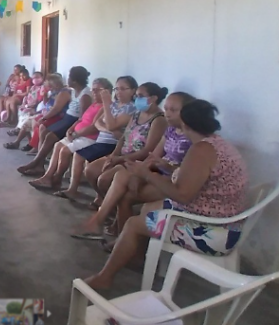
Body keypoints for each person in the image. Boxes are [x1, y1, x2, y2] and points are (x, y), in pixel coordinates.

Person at [84, 100, 248, 289]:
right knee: (147, 207)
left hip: (215, 230)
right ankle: (136, 255)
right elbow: (195, 178)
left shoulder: (201, 150)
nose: (168, 114)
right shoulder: (216, 143)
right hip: (222, 215)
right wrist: (168, 168)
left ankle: (105, 277)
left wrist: (145, 174)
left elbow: (182, 195)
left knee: (133, 223)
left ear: (185, 124)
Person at [73, 92, 196, 240]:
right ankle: (111, 227)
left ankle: (105, 226)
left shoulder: (192, 137)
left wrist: (147, 171)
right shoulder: (170, 130)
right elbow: (154, 156)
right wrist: (139, 173)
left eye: (173, 110)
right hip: (156, 171)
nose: (167, 113)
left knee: (125, 193)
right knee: (118, 177)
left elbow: (184, 171)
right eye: (167, 109)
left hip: (170, 179)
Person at [81, 82, 169, 211]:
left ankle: (113, 208)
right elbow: (124, 137)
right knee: (90, 170)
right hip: (121, 155)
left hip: (136, 160)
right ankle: (107, 202)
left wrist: (119, 160)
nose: (137, 99)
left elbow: (147, 151)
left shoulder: (159, 120)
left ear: (154, 98)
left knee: (104, 180)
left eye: (140, 96)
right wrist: (114, 155)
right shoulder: (137, 114)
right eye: (136, 96)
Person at [51, 76, 138, 200]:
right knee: (77, 153)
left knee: (80, 155)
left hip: (112, 144)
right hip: (101, 140)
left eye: (123, 89)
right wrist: (109, 128)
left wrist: (107, 107)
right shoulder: (114, 106)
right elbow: (97, 123)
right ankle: (73, 188)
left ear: (133, 91)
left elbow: (111, 125)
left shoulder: (131, 108)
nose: (119, 92)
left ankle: (87, 193)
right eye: (117, 88)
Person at [28, 78, 112, 191]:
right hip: (78, 134)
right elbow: (81, 119)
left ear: (107, 91)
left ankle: (57, 178)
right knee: (58, 145)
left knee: (65, 150)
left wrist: (77, 134)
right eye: (93, 90)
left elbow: (93, 127)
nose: (94, 93)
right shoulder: (94, 104)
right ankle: (47, 176)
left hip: (89, 138)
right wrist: (70, 129)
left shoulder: (105, 107)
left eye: (98, 90)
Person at [17, 66, 91, 176]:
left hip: (72, 120)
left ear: (75, 80)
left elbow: (82, 118)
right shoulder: (75, 91)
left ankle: (36, 163)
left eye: (69, 77)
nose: (67, 79)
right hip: (67, 117)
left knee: (49, 136)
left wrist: (73, 130)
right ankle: (39, 165)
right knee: (45, 132)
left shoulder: (84, 95)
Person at [5, 74, 69, 152]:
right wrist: (45, 95)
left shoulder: (63, 92)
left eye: (49, 86)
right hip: (47, 113)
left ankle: (34, 146)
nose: (48, 88)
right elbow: (46, 104)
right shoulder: (53, 92)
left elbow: (56, 109)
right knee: (27, 122)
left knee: (37, 123)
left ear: (55, 84)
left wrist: (43, 117)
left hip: (56, 116)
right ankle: (18, 142)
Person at [8, 71, 46, 136]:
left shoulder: (43, 88)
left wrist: (30, 106)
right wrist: (24, 103)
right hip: (28, 105)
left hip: (35, 107)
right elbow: (28, 96)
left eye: (37, 77)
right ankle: (18, 128)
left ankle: (19, 129)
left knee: (26, 112)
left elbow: (40, 100)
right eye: (34, 78)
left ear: (42, 78)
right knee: (21, 110)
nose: (35, 79)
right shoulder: (32, 87)